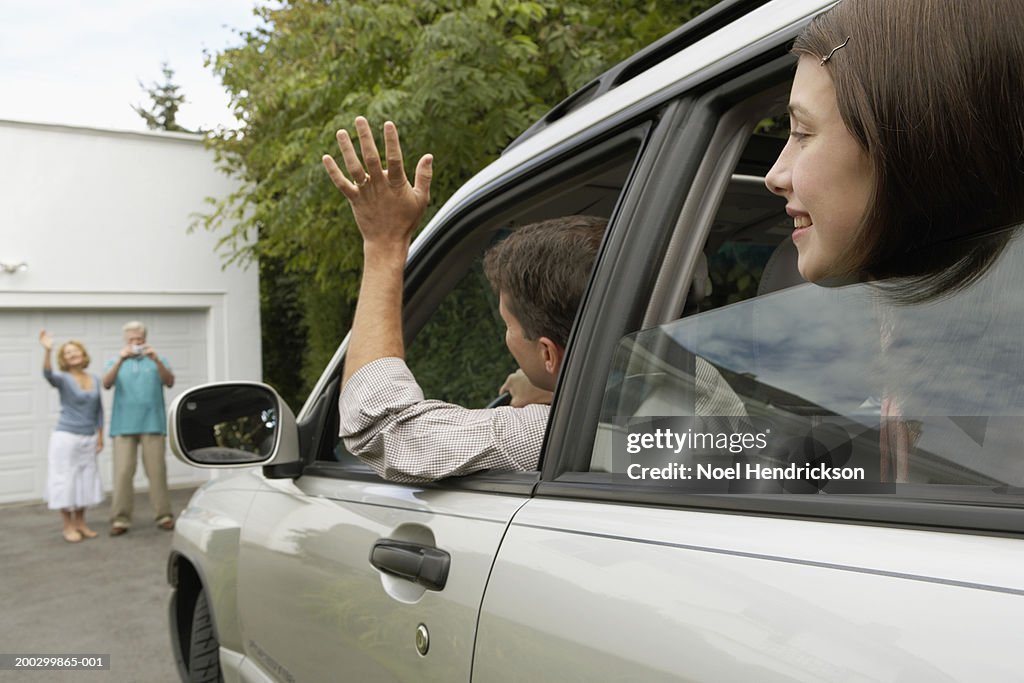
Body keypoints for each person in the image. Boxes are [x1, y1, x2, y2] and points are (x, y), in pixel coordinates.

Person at [763, 0, 1024, 481]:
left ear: (914, 152)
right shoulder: (910, 343)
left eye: (802, 132)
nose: (775, 175)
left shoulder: (991, 410)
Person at [323, 117, 604, 482]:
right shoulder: (696, 393)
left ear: (549, 353)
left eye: (509, 326)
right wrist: (561, 383)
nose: (507, 340)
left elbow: (382, 428)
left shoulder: (549, 433)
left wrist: (384, 245)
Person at [102, 321, 176, 534]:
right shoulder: (116, 361)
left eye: (140, 339)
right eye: (132, 339)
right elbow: (106, 383)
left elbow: (169, 381)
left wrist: (156, 359)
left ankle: (164, 515)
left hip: (153, 423)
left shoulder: (157, 359)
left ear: (145, 339)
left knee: (157, 472)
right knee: (123, 472)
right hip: (123, 426)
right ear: (126, 340)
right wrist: (120, 359)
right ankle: (120, 519)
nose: (136, 342)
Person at [39, 331, 105, 543]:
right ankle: (68, 526)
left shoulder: (93, 378)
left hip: (88, 437)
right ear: (64, 359)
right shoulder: (63, 379)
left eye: (75, 350)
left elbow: (99, 410)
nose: (72, 354)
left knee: (86, 480)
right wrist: (48, 350)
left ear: (83, 354)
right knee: (65, 480)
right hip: (66, 437)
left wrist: (100, 436)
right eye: (67, 352)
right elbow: (48, 374)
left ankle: (81, 523)